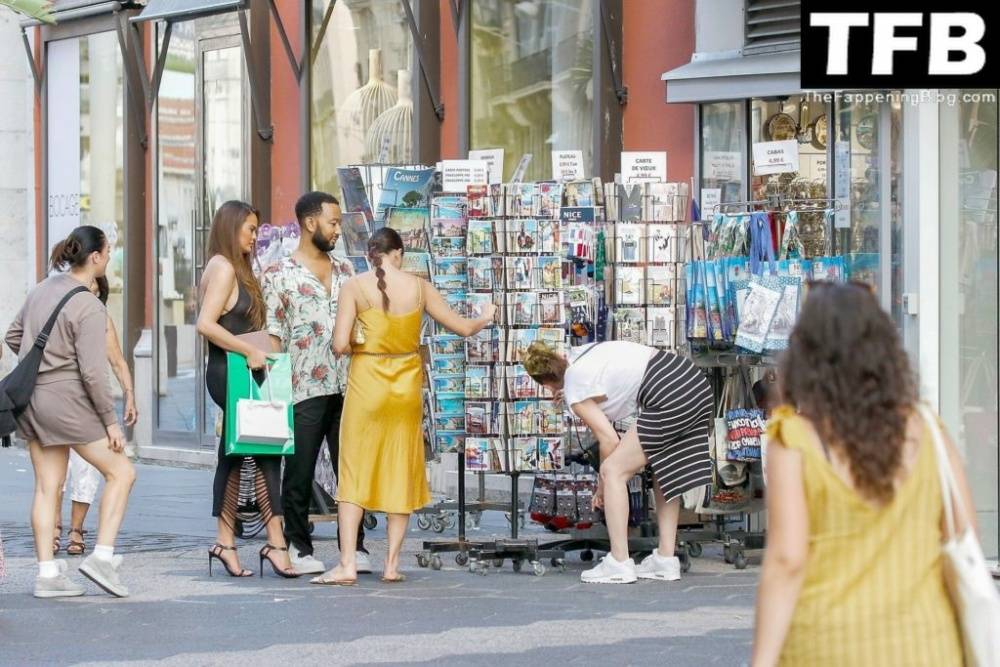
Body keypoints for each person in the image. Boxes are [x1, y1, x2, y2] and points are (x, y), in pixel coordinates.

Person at [751, 283, 970, 666]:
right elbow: (962, 533)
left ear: (806, 359)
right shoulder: (929, 431)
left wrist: (762, 659)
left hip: (828, 646)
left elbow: (787, 560)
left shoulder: (794, 440)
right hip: (927, 644)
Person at [321, 227, 497, 585]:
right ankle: (391, 565)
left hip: (367, 384)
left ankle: (347, 564)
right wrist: (486, 314)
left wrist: (361, 339)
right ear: (399, 253)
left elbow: (339, 344)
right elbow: (463, 328)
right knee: (400, 466)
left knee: (354, 468)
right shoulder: (419, 288)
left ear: (372, 255)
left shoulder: (354, 287)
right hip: (405, 387)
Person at [4, 226, 136, 598]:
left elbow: (14, 338)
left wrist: (43, 364)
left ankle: (47, 575)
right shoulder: (89, 304)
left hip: (32, 402)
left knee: (47, 487)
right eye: (108, 254)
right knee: (122, 472)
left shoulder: (41, 289)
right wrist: (110, 422)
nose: (108, 260)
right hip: (69, 403)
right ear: (94, 257)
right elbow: (93, 373)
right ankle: (102, 557)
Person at [522, 340, 713, 584]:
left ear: (546, 384)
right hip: (691, 381)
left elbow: (609, 440)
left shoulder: (575, 389)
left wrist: (602, 485)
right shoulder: (581, 355)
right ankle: (665, 559)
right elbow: (603, 386)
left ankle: (619, 562)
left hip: (667, 393)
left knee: (613, 471)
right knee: (664, 467)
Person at [261, 191, 368, 576]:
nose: (338, 229)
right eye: (333, 222)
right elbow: (273, 334)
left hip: (349, 384)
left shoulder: (346, 272)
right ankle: (298, 545)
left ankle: (354, 547)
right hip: (302, 385)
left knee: (350, 468)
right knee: (300, 470)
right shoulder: (278, 275)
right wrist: (270, 390)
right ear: (310, 223)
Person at [197, 201, 296, 579]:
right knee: (264, 451)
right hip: (232, 371)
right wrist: (250, 349)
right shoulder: (222, 268)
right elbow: (206, 325)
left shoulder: (232, 266)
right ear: (231, 227)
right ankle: (274, 542)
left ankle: (230, 542)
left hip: (242, 369)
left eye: (256, 230)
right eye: (250, 229)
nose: (255, 237)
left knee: (238, 454)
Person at [55, 276, 138, 557]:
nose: (88, 292)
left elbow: (117, 361)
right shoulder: (60, 314)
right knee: (54, 471)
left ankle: (76, 530)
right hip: (57, 401)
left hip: (89, 406)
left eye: (94, 289)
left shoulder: (102, 321)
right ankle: (53, 528)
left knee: (85, 469)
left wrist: (130, 393)